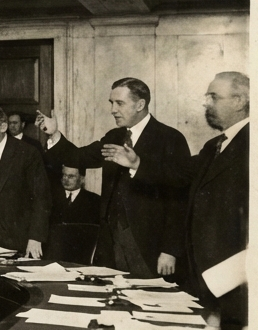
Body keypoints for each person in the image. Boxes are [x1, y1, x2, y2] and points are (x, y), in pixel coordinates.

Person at [137, 72, 249, 330]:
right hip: (203, 279)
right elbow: (179, 176)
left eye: (214, 97)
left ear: (241, 100)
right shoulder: (216, 144)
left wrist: (220, 282)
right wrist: (137, 162)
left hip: (236, 286)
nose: (207, 103)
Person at [36, 77, 191, 278]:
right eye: (111, 103)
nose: (113, 110)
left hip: (149, 246)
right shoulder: (114, 137)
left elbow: (179, 197)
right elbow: (79, 157)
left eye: (119, 103)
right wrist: (54, 133)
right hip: (112, 243)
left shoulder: (170, 138)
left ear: (140, 104)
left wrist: (170, 250)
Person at [0, 105, 50, 256]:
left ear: (3, 127)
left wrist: (35, 237)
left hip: (17, 243)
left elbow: (41, 198)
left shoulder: (27, 153)